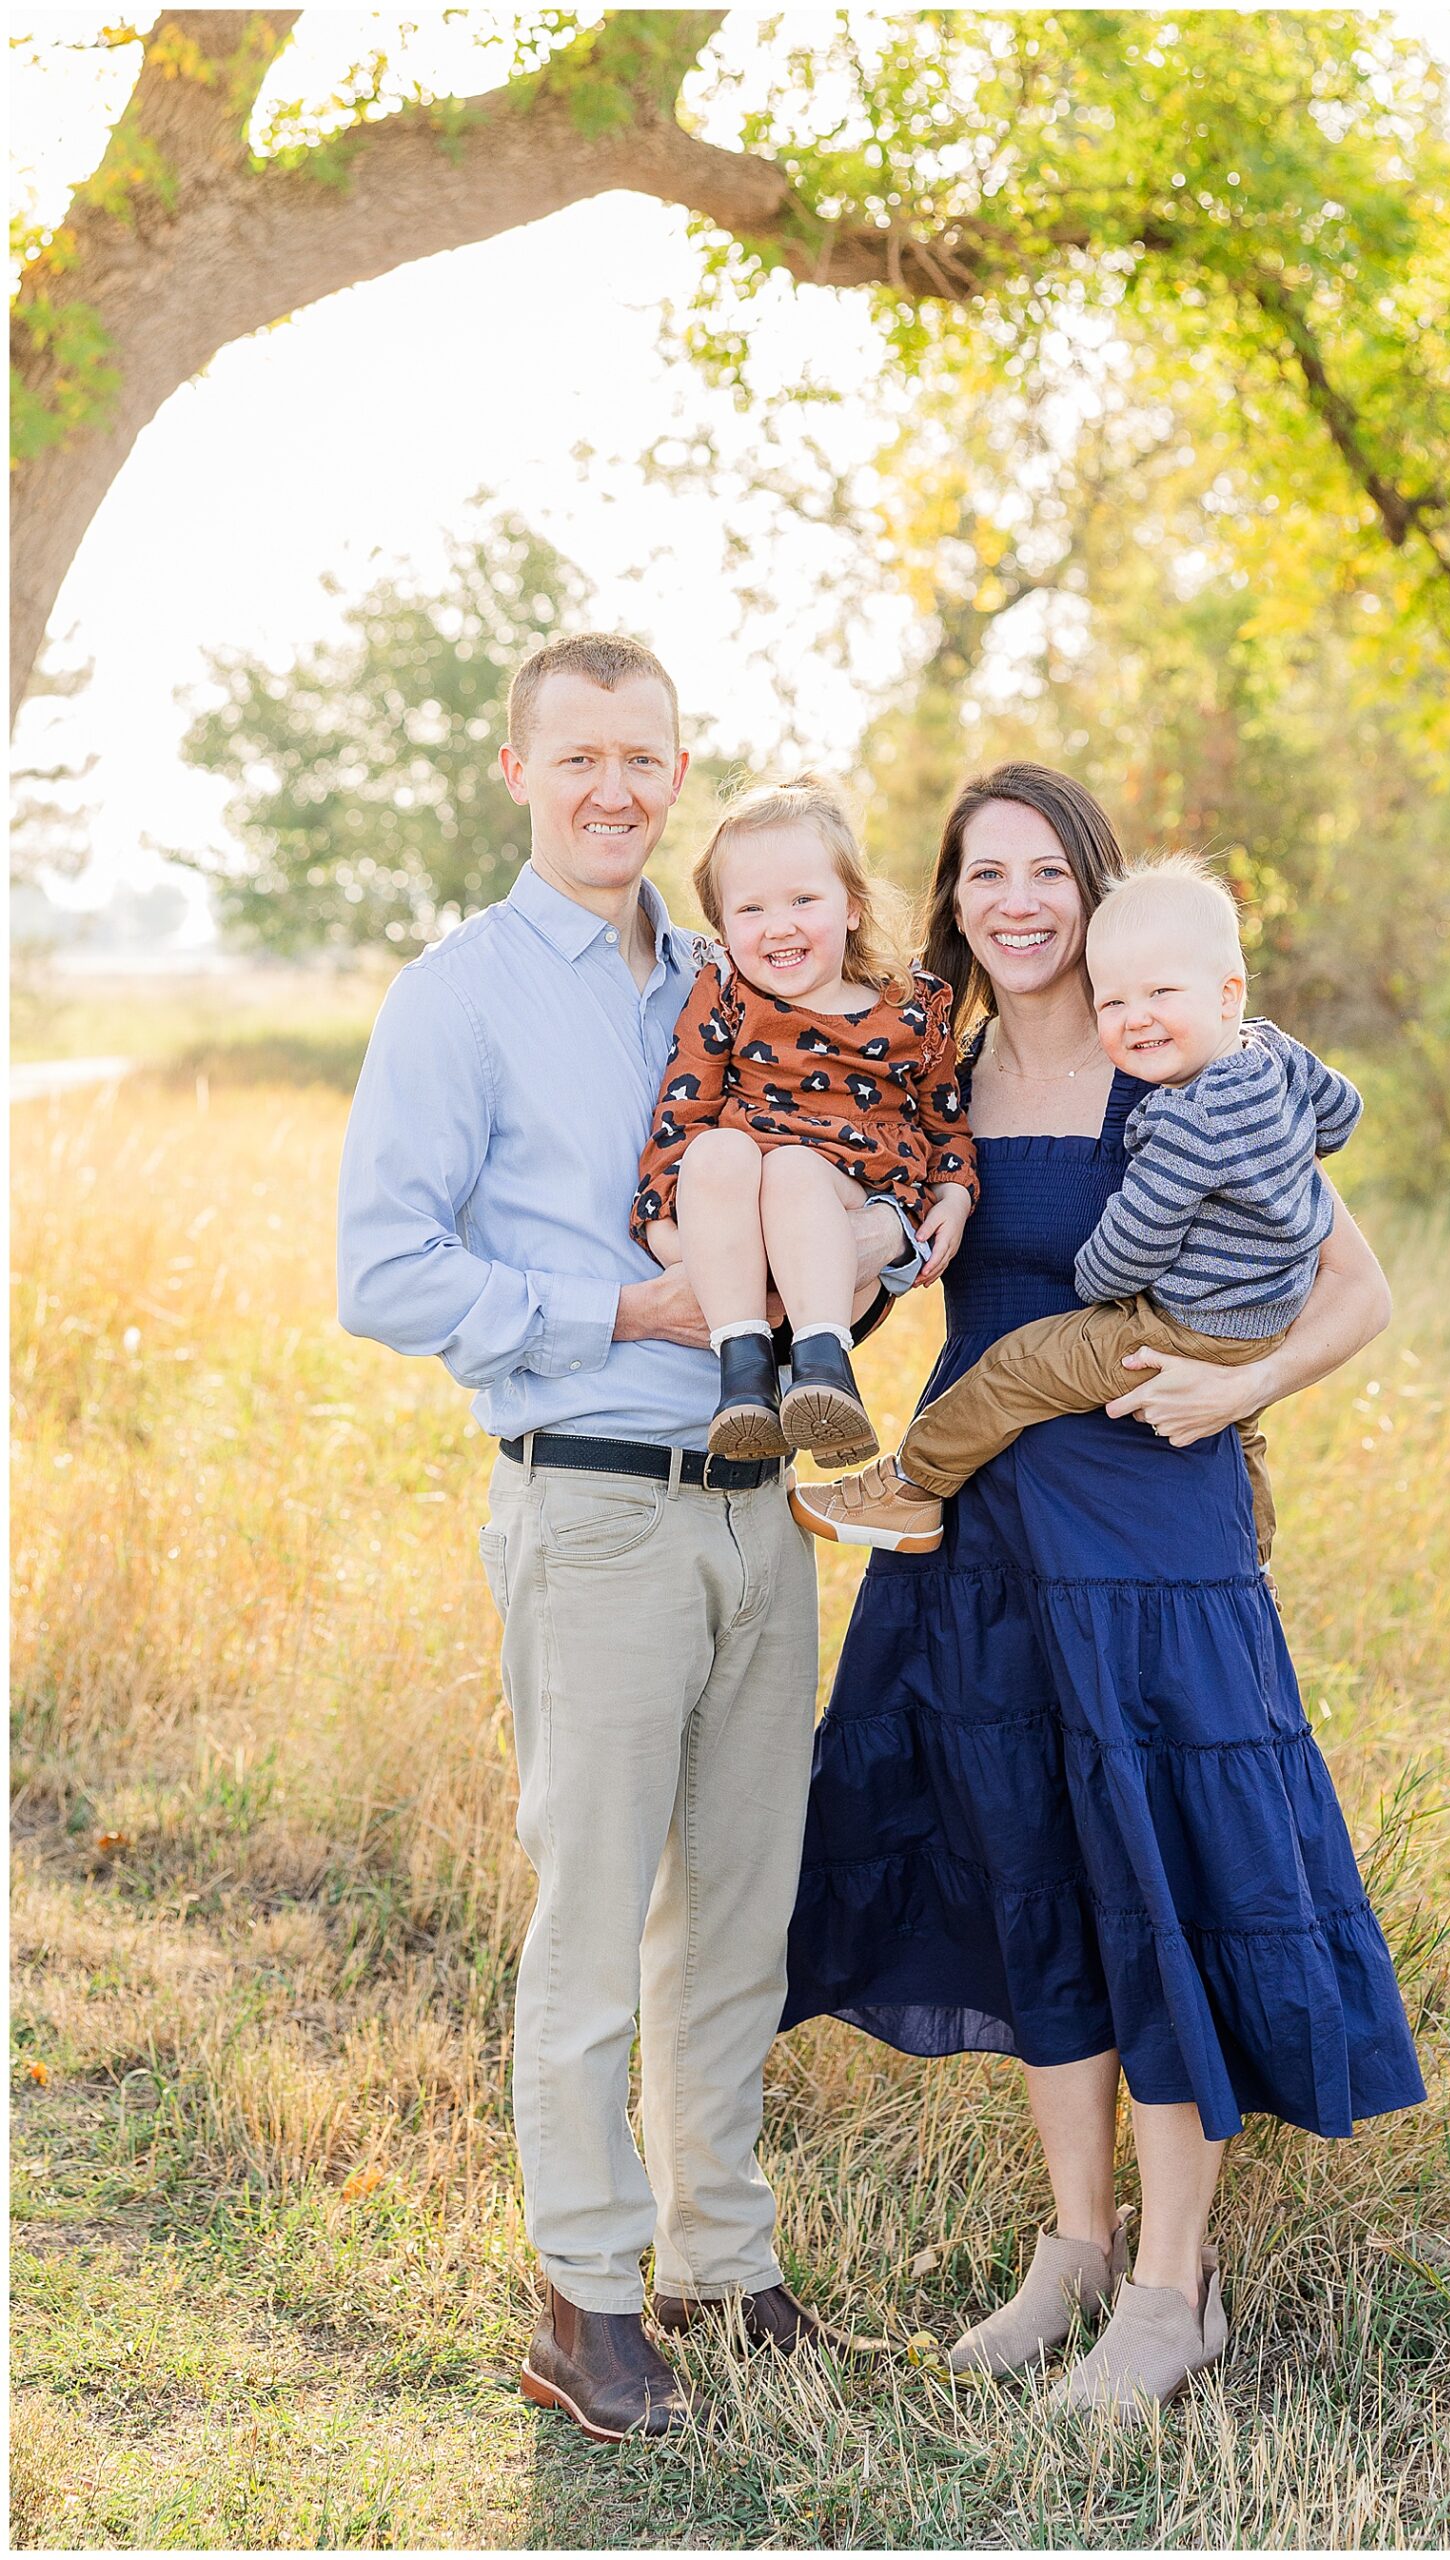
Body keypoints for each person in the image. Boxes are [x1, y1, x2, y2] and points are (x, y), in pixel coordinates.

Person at [781, 763, 1427, 2417]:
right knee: (1035, 1891)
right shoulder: (942, 1067)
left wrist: (1239, 1390)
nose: (1013, 902)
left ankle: (1168, 2288)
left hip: (1152, 1548)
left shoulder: (1175, 1061)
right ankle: (1071, 2249)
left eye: (1043, 873)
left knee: (1160, 1891)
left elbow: (1354, 1292)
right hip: (976, 1548)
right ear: (951, 897)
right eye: (981, 872)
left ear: (1091, 890)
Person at [336, 634, 918, 2445]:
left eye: (645, 758)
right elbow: (384, 1269)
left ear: (679, 775)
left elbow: (845, 1140)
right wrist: (628, 1313)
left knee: (737, 1917)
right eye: (578, 755)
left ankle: (715, 2266)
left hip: (768, 1510)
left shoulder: (731, 962)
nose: (615, 788)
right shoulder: (457, 994)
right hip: (591, 1499)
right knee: (592, 1921)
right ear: (516, 767)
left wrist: (884, 1246)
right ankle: (581, 2298)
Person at [792, 853, 1359, 1567]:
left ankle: (908, 1486)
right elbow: (1340, 1112)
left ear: (1226, 993)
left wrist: (1095, 1283)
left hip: (1176, 1343)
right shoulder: (1272, 1055)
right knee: (1241, 1438)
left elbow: (1132, 1245)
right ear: (957, 909)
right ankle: (1252, 1552)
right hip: (1254, 1321)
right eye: (1114, 1002)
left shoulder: (1183, 1116)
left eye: (1160, 993)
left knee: (1018, 1365)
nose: (1136, 1018)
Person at [632, 778, 977, 1466]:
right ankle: (745, 1381)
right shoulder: (726, 993)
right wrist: (663, 1226)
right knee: (719, 1151)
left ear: (851, 906)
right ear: (723, 929)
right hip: (738, 1277)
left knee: (791, 1169)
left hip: (846, 1236)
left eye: (802, 900)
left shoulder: (910, 1004)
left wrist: (957, 1195)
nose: (778, 924)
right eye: (750, 908)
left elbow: (944, 1123)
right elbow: (681, 1110)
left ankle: (825, 1373)